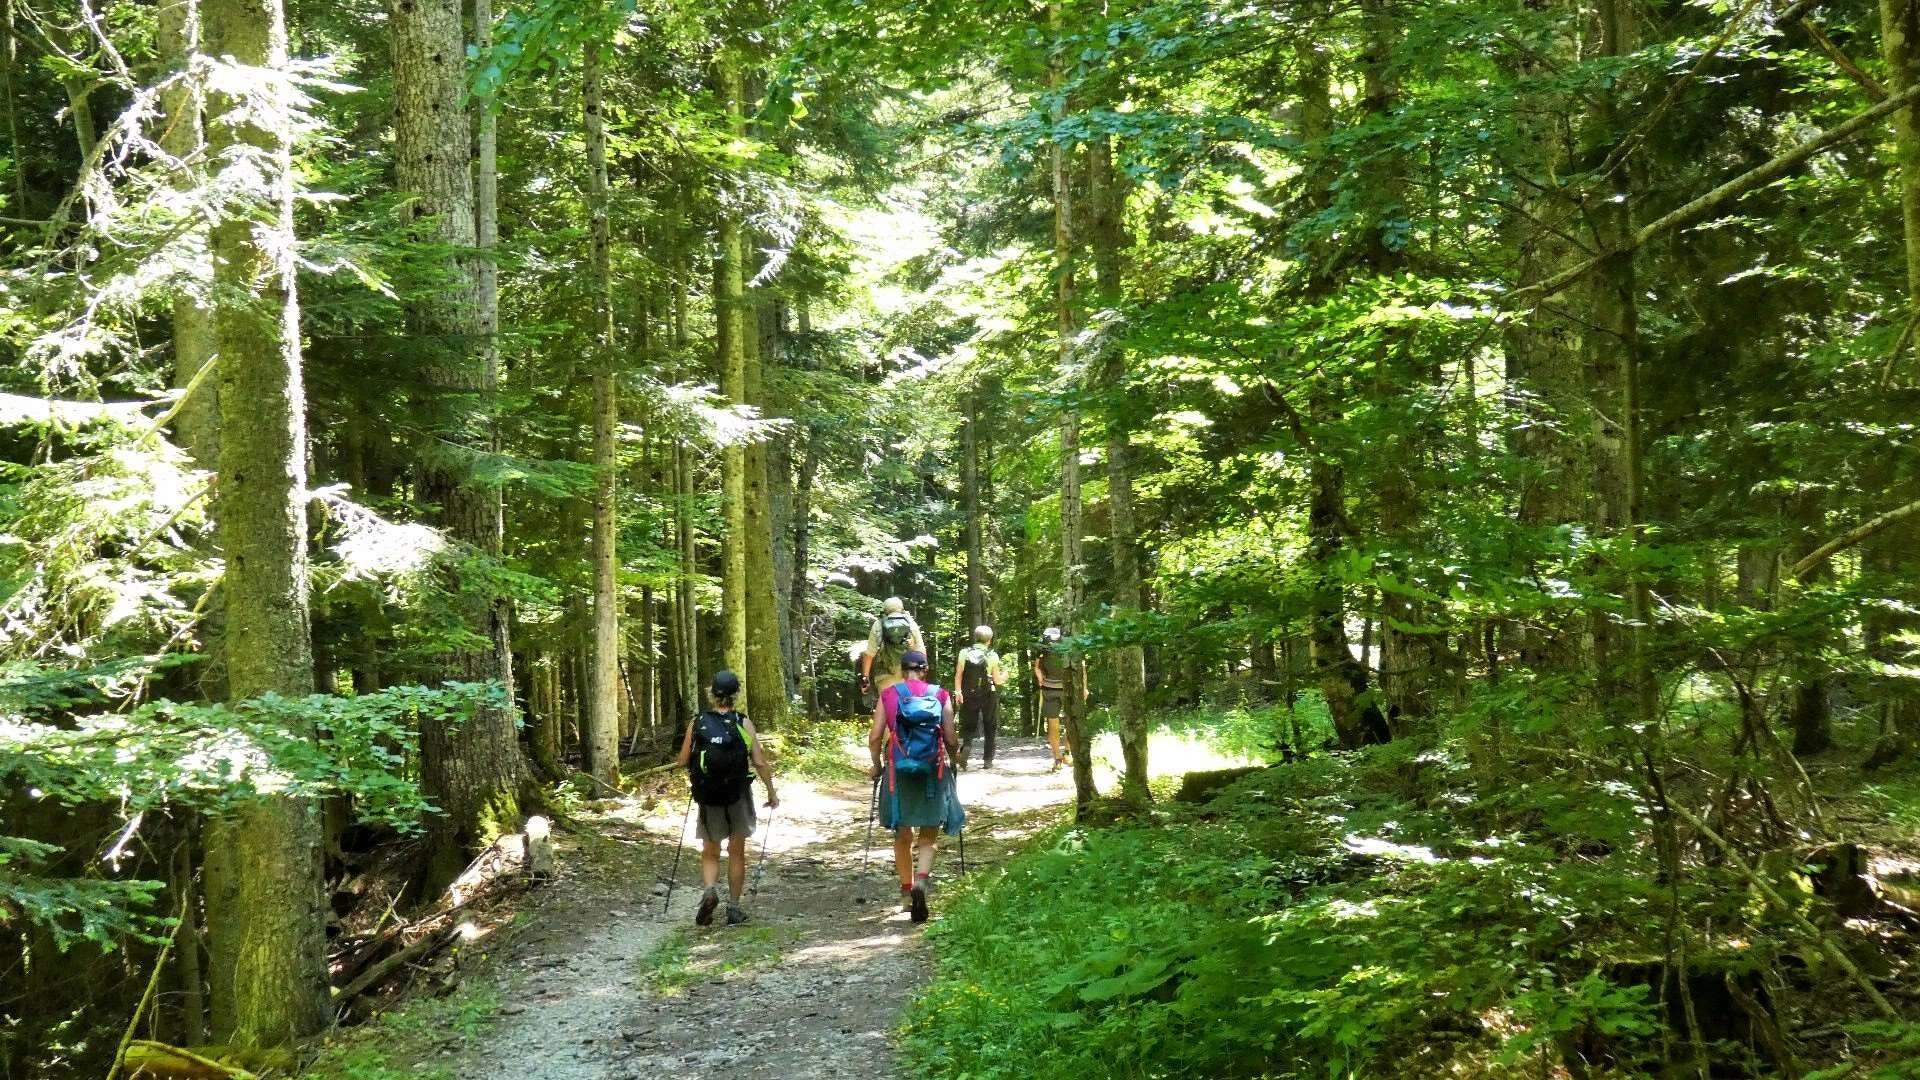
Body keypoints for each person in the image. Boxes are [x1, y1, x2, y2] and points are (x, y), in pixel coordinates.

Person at [868, 650, 964, 923]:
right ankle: (921, 880)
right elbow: (950, 737)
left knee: (902, 834)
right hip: (933, 770)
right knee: (928, 834)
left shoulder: (889, 694)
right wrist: (955, 759)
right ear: (925, 670)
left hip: (898, 770)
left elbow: (875, 737)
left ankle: (906, 892)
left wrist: (876, 764)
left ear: (902, 670)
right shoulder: (940, 694)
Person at [677, 670, 778, 927]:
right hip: (738, 794)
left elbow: (682, 760)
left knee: (710, 851)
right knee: (736, 851)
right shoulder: (742, 722)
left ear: (711, 693)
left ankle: (710, 890)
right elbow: (759, 762)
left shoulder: (698, 721)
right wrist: (771, 791)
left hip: (708, 794)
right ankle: (733, 907)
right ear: (736, 695)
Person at [953, 624, 1006, 770]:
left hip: (968, 693)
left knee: (969, 725)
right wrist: (1005, 676)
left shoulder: (964, 652)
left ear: (975, 637)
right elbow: (997, 680)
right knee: (990, 725)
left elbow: (958, 675)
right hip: (988, 694)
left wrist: (958, 692)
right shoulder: (992, 655)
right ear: (989, 640)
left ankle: (966, 748)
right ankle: (988, 760)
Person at [860, 596, 924, 701]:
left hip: (885, 676)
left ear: (885, 610)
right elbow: (921, 652)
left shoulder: (878, 624)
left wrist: (865, 679)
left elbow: (869, 654)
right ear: (901, 609)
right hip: (909, 675)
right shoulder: (911, 623)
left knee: (889, 707)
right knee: (908, 708)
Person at [1035, 627, 1069, 771]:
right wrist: (1084, 688)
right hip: (1068, 688)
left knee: (1053, 724)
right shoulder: (1068, 645)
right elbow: (1082, 667)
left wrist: (1041, 680)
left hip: (1049, 689)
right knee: (1071, 721)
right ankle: (1067, 753)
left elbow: (1037, 668)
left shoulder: (1043, 647)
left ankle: (1057, 759)